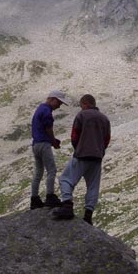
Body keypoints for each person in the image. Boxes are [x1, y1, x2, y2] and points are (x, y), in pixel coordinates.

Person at [52, 94, 110, 225]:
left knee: (66, 179)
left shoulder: (81, 116)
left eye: (81, 105)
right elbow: (107, 139)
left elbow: (74, 135)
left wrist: (78, 148)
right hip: (97, 157)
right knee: (93, 186)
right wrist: (100, 150)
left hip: (82, 154)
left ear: (85, 104)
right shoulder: (105, 119)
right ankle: (88, 215)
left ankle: (67, 206)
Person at [30, 90, 69, 210]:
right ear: (53, 99)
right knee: (52, 170)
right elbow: (48, 129)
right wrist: (53, 142)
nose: (59, 106)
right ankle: (50, 196)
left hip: (36, 144)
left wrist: (52, 140)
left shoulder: (40, 109)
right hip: (44, 144)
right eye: (59, 103)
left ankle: (34, 199)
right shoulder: (47, 111)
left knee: (38, 172)